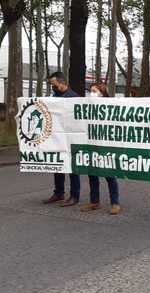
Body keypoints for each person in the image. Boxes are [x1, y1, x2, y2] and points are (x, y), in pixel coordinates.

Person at [80, 83, 121, 215]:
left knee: (110, 176)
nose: (91, 93)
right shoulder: (87, 108)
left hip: (107, 147)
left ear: (102, 94)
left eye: (94, 91)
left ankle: (115, 203)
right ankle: (94, 201)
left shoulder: (111, 107)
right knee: (92, 174)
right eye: (90, 91)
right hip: (92, 146)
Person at [42, 72, 81, 207]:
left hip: (70, 137)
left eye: (54, 85)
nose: (52, 87)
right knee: (57, 165)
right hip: (57, 137)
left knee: (72, 167)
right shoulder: (55, 96)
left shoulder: (73, 97)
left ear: (62, 82)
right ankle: (59, 193)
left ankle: (74, 195)